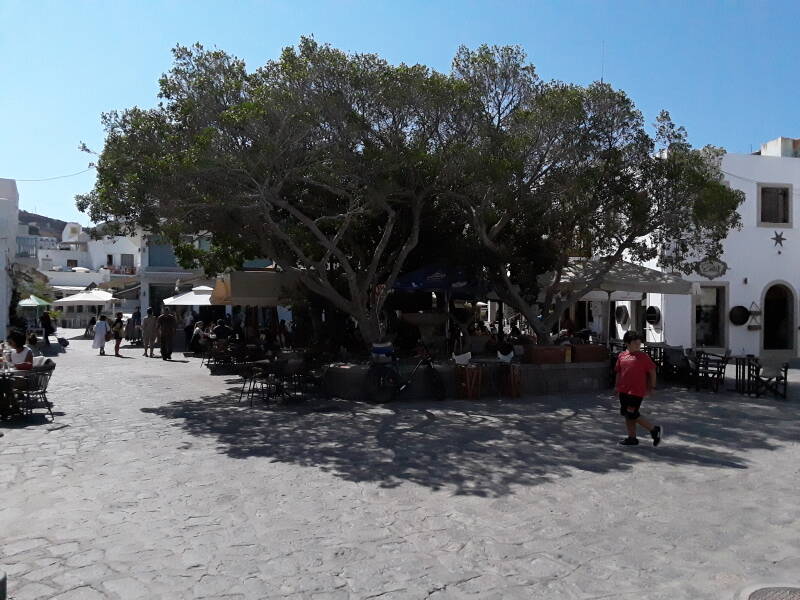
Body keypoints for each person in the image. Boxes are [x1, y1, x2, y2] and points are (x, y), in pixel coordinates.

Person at [614, 330, 663, 447]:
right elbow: (618, 373)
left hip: (636, 391)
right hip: (623, 390)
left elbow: (652, 372)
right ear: (627, 343)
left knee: (632, 413)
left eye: (639, 343)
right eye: (635, 343)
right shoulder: (622, 356)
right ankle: (632, 438)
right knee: (627, 414)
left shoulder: (643, 357)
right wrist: (616, 387)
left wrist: (653, 386)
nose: (638, 345)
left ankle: (654, 430)